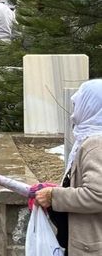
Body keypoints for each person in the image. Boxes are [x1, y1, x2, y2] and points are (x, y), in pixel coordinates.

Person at [35, 79, 102, 255]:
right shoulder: (92, 137)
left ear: (91, 105)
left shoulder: (96, 144)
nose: (74, 111)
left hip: (91, 245)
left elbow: (98, 194)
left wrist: (54, 196)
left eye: (78, 104)